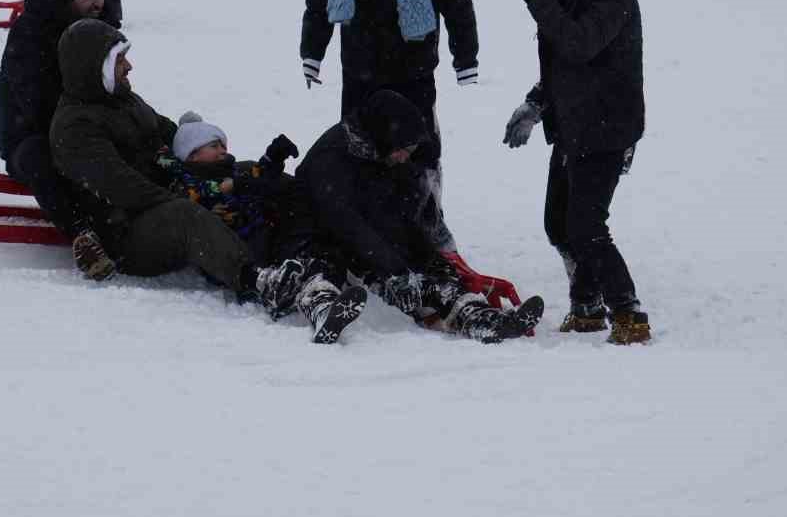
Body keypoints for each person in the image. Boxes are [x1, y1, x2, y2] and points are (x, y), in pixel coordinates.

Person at [300, 0, 479, 251]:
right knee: (360, 147)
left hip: (412, 74)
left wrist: (465, 57)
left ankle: (428, 220)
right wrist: (312, 53)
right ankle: (366, 221)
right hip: (361, 74)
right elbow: (318, 4)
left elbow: (458, 6)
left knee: (418, 149)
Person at [501, 0, 649, 345]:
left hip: (606, 128)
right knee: (559, 224)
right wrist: (536, 103)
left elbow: (579, 44)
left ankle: (628, 312)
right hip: (573, 125)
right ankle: (586, 306)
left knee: (586, 225)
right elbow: (562, 63)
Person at [297, 89, 544, 343]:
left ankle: (480, 318)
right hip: (320, 238)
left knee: (427, 274)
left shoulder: (382, 155)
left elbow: (400, 220)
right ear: (387, 136)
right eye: (404, 148)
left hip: (367, 241)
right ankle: (324, 310)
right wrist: (394, 271)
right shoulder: (332, 157)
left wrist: (432, 262)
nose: (406, 156)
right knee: (323, 270)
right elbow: (346, 222)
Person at [51, 20, 269, 300]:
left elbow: (172, 137)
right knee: (186, 214)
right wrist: (195, 194)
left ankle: (312, 247)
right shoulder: (74, 126)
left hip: (165, 198)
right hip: (127, 234)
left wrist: (215, 166)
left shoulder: (124, 99)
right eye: (119, 59)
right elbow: (122, 187)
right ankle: (258, 280)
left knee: (250, 173)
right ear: (94, 66)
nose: (129, 66)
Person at [159, 115, 369, 344]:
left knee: (311, 262)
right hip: (239, 254)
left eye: (223, 144)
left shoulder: (232, 173)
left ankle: (322, 307)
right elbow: (202, 207)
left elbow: (255, 177)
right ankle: (288, 289)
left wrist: (273, 158)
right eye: (213, 145)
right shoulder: (190, 186)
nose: (222, 149)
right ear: (192, 154)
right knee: (294, 264)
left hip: (263, 239)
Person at [0, 0, 117, 281]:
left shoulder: (93, 28)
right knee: (41, 157)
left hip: (82, 128)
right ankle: (81, 233)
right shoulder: (30, 34)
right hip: (29, 136)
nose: (98, 3)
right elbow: (36, 101)